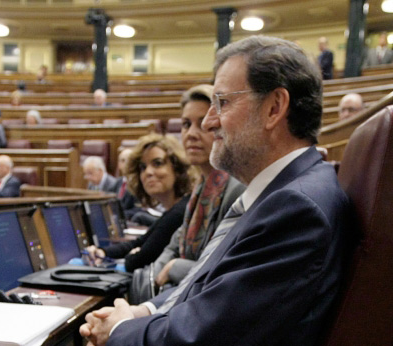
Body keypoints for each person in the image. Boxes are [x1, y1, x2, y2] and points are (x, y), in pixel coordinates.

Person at [80, 35, 354, 346]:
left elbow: (206, 335)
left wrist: (118, 332)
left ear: (274, 108)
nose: (210, 122)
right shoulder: (281, 193)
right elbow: (208, 289)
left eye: (222, 102)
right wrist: (142, 311)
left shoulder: (297, 207)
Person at [152, 84, 245, 290]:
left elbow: (225, 273)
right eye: (186, 124)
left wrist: (175, 267)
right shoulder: (200, 186)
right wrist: (156, 274)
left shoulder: (237, 189)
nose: (191, 134)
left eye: (202, 123)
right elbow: (175, 244)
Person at [84, 133, 192, 272]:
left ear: (177, 169)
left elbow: (137, 261)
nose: (148, 172)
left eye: (157, 163)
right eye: (142, 167)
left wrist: (132, 256)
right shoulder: (172, 210)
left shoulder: (179, 212)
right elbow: (139, 243)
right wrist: (103, 252)